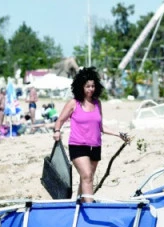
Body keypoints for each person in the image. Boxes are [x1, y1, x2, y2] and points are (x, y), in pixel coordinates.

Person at [52, 67, 128, 203]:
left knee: (86, 178)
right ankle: (90, 207)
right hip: (78, 145)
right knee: (87, 176)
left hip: (95, 146)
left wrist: (118, 134)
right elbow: (59, 121)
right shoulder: (73, 103)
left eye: (93, 86)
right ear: (81, 87)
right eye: (87, 86)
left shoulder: (97, 103)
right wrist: (57, 131)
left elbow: (100, 126)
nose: (91, 89)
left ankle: (78, 205)